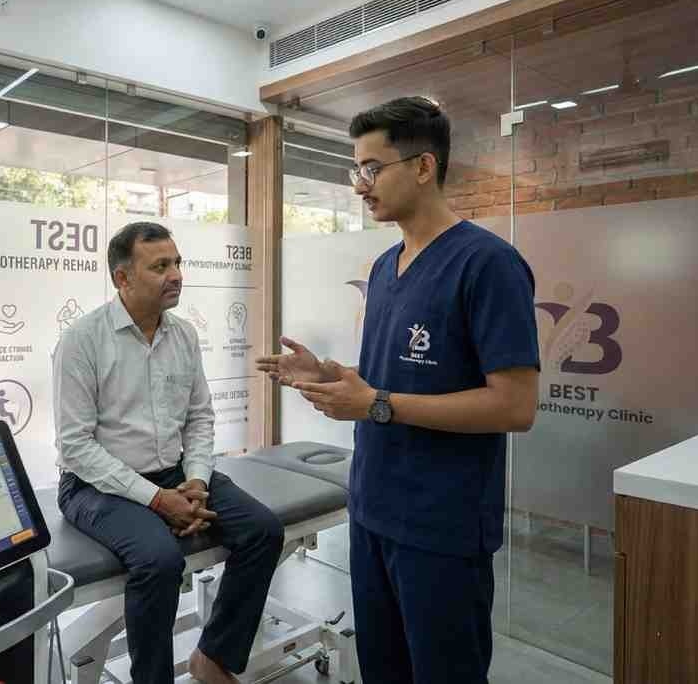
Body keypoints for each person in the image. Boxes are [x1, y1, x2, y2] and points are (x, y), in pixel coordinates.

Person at [257, 97, 540, 684]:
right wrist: (330, 376)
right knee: (382, 670)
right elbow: (391, 382)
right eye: (356, 170)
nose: (360, 185)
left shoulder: (488, 264)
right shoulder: (386, 267)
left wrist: (378, 404)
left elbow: (515, 405)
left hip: (442, 526)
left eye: (372, 168)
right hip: (372, 511)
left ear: (423, 166)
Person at [54, 222, 284, 684]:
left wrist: (195, 481)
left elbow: (199, 418)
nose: (176, 275)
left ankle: (213, 657)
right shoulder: (82, 340)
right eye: (160, 266)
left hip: (174, 473)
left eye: (177, 263)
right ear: (122, 278)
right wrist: (159, 500)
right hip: (93, 486)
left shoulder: (183, 335)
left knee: (263, 530)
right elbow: (76, 447)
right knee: (159, 561)